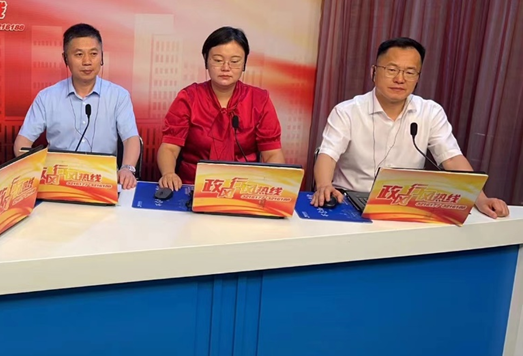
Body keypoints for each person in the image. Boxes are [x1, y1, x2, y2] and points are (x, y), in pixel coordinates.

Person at [310, 37, 509, 218]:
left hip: (404, 206)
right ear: (374, 72)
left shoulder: (430, 112)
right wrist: (324, 186)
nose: (400, 79)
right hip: (349, 201)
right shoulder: (347, 111)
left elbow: (452, 159)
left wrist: (480, 199)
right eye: (392, 70)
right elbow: (328, 154)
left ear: (418, 78)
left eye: (410, 72)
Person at [14, 23, 141, 189]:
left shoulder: (119, 96)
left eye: (93, 54)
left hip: (104, 180)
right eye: (79, 54)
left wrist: (127, 168)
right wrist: (34, 170)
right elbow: (22, 142)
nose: (87, 61)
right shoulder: (47, 97)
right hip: (57, 181)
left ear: (102, 57)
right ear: (66, 58)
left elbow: (131, 138)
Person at [157, 26, 284, 190]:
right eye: (218, 60)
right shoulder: (189, 98)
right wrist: (169, 173)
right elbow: (169, 148)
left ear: (244, 63)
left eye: (235, 61)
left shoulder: (260, 100)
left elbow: (272, 153)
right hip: (193, 187)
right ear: (206, 60)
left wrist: (272, 186)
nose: (226, 67)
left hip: (245, 189)